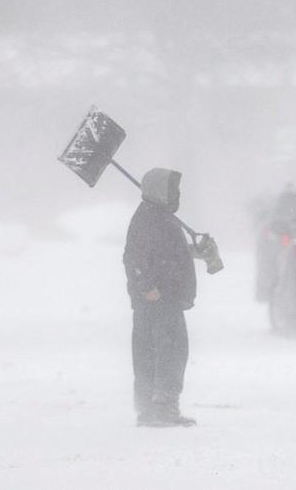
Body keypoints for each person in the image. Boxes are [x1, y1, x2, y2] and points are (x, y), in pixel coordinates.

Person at [123, 167, 198, 427]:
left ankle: (152, 409)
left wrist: (194, 250)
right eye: (172, 189)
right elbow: (134, 257)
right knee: (167, 352)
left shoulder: (160, 217)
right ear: (159, 191)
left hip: (166, 297)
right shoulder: (149, 219)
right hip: (157, 300)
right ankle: (160, 409)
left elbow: (168, 253)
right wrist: (145, 285)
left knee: (158, 351)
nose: (177, 194)